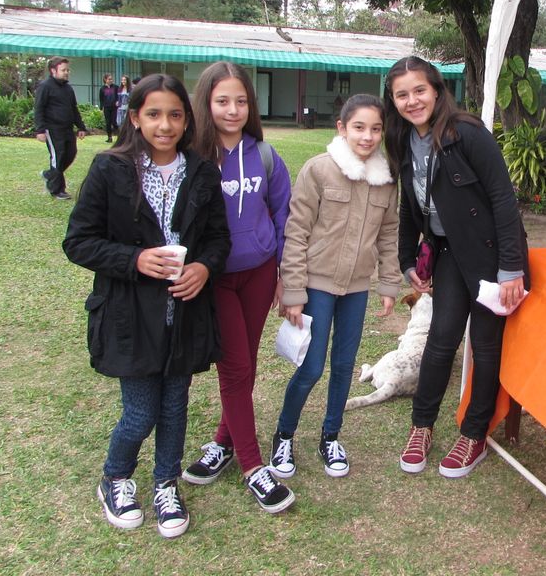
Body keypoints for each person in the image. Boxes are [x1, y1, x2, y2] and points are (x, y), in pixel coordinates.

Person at [62, 74, 230, 538]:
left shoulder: (201, 171)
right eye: (153, 114)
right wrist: (134, 259)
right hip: (130, 314)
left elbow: (218, 238)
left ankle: (165, 484)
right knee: (140, 412)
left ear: (187, 119)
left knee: (175, 407)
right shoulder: (109, 168)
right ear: (135, 117)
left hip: (184, 312)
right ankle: (115, 478)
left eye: (175, 114)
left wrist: (204, 268)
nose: (165, 125)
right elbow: (78, 241)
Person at [383, 56, 529, 479]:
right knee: (440, 340)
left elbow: (503, 199)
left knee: (485, 347)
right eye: (402, 95)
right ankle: (421, 426)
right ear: (393, 101)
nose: (412, 101)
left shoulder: (467, 133)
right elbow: (410, 205)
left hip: (489, 258)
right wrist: (407, 259)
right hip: (447, 253)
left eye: (419, 90)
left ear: (436, 90)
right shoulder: (403, 140)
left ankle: (474, 434)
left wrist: (510, 269)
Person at [182, 61, 295, 514]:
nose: (233, 110)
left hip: (260, 273)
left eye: (241, 101)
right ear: (206, 103)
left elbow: (284, 217)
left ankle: (223, 442)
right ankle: (252, 466)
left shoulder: (265, 156)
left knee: (244, 364)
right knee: (235, 368)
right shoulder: (193, 156)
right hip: (215, 278)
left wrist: (285, 274)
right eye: (223, 101)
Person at [270, 94, 401, 481]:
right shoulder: (318, 170)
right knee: (311, 367)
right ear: (342, 128)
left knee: (344, 366)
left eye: (376, 129)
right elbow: (296, 233)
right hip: (316, 286)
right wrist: (294, 291)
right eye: (359, 127)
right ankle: (284, 436)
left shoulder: (386, 179)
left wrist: (389, 283)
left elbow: (388, 235)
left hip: (356, 289)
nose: (367, 136)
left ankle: (330, 437)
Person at [34, 56, 87, 200]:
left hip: (67, 129)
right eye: (63, 70)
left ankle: (49, 175)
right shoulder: (45, 86)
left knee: (70, 154)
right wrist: (40, 130)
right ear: (53, 70)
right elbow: (39, 108)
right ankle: (57, 190)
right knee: (58, 157)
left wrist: (81, 127)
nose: (67, 72)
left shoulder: (68, 88)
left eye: (68, 70)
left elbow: (74, 109)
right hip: (52, 129)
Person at [99, 73, 120, 142]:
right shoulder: (102, 89)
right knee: (108, 123)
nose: (111, 80)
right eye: (109, 79)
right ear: (105, 80)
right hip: (106, 108)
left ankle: (120, 136)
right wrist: (101, 108)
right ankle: (109, 137)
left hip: (114, 107)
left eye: (111, 79)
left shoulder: (115, 87)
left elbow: (119, 96)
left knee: (114, 122)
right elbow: (101, 100)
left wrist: (118, 101)